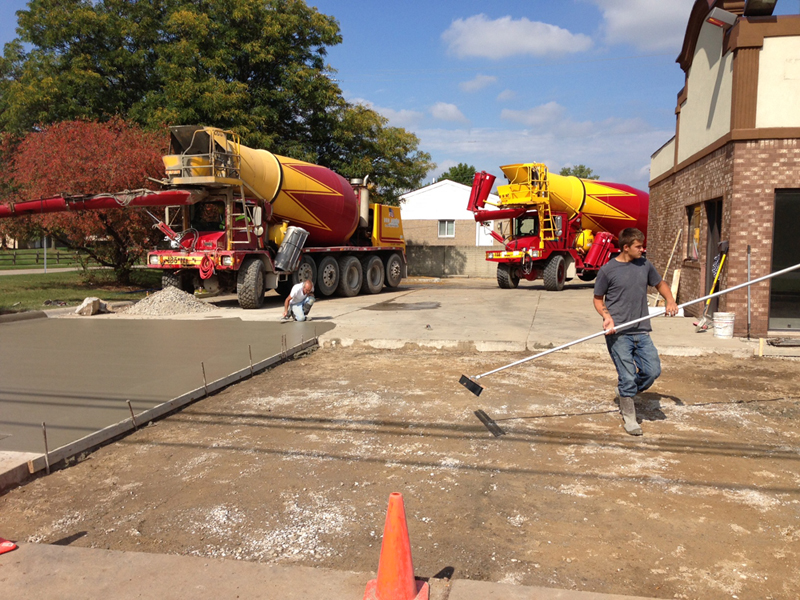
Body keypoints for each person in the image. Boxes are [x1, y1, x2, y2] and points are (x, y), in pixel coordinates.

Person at [593, 228, 678, 436]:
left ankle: (625, 391)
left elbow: (660, 283)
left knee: (652, 371)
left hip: (641, 330)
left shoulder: (644, 265)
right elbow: (597, 299)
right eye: (638, 246)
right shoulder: (608, 270)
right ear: (626, 247)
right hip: (618, 332)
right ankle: (630, 417)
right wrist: (607, 316)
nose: (642, 249)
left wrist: (670, 300)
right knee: (628, 376)